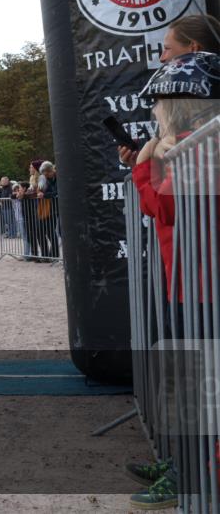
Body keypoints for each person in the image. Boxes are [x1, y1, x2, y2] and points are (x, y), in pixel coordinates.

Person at [117, 43, 220, 510]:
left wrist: (143, 165)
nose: (156, 113)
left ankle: (196, 475)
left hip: (202, 278)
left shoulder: (201, 144)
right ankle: (185, 463)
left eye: (160, 105)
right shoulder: (193, 143)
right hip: (192, 274)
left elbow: (163, 204)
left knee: (202, 386)